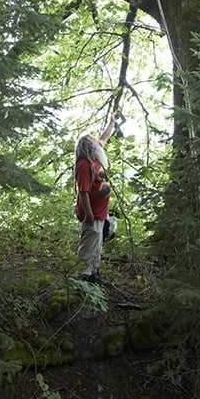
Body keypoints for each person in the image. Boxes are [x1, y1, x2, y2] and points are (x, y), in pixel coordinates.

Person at [75, 111, 121, 284]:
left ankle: (94, 274)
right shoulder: (84, 164)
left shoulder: (95, 158)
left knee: (97, 243)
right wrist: (88, 213)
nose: (98, 141)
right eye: (94, 140)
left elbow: (105, 137)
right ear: (88, 146)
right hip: (92, 212)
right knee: (89, 243)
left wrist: (112, 121)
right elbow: (84, 191)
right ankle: (82, 277)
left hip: (100, 211)